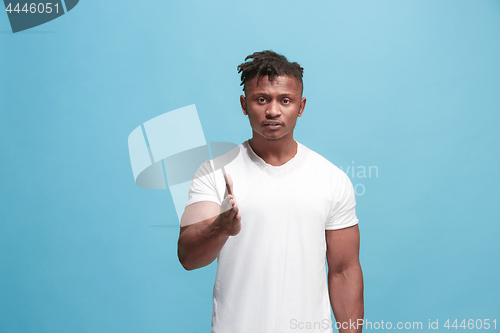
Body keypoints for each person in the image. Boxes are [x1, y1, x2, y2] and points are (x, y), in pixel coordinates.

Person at [177, 50, 364, 333]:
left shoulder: (332, 178)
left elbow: (344, 270)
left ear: (301, 107)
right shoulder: (213, 171)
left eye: (285, 100)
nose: (273, 111)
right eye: (261, 99)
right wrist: (220, 227)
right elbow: (188, 258)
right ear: (244, 104)